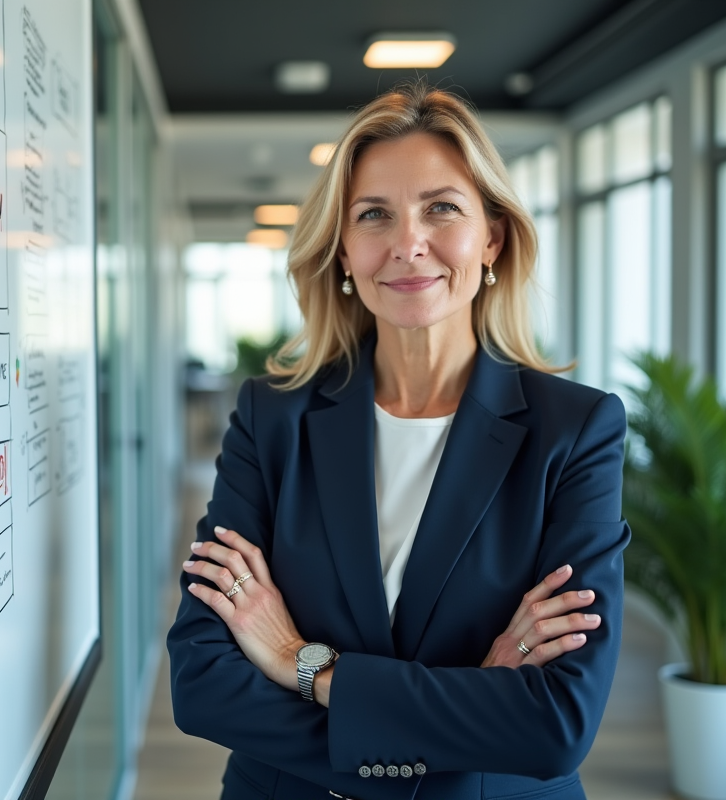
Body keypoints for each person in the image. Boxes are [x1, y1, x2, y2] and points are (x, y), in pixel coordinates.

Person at [166, 84, 630, 800]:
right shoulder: (271, 420)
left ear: (493, 239)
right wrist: (467, 709)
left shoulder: (576, 431)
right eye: (374, 215)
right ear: (345, 253)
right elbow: (202, 683)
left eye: (442, 208)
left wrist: (299, 661)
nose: (408, 243)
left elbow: (558, 722)